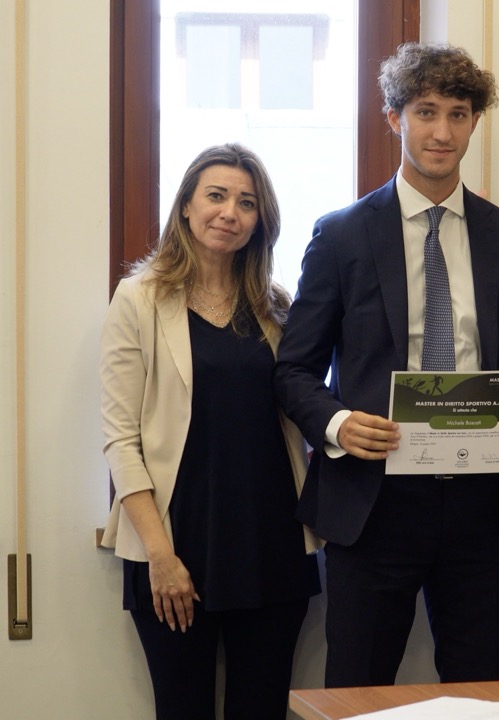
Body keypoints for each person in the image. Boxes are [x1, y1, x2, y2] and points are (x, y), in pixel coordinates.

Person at [274, 42, 499, 688]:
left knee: (481, 691)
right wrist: (338, 424)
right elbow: (293, 369)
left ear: (474, 122)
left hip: (483, 504)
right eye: (426, 111)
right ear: (394, 117)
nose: (442, 132)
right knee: (358, 690)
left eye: (458, 114)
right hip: (373, 499)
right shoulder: (341, 235)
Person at [99, 143, 320, 719]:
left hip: (272, 543)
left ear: (260, 221)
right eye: (216, 196)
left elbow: (303, 409)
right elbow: (121, 439)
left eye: (247, 203)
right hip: (177, 543)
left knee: (263, 710)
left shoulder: (276, 307)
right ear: (186, 207)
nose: (230, 212)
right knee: (182, 710)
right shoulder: (140, 298)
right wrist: (160, 555)